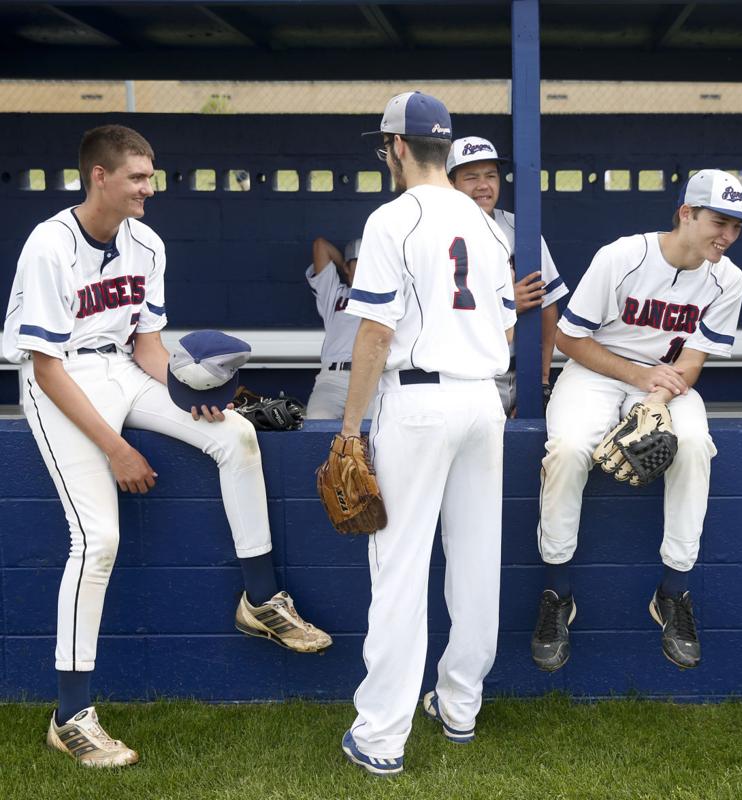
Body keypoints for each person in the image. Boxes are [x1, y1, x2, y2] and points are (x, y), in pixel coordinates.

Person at [1, 124, 330, 768]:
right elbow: (44, 368)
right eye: (138, 178)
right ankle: (70, 717)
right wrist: (116, 450)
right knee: (98, 542)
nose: (150, 189)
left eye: (151, 176)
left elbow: (148, 340)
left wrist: (183, 405)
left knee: (234, 434)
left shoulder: (145, 241)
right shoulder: (50, 244)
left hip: (121, 368)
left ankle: (260, 599)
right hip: (61, 379)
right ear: (100, 176)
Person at [336, 92, 515, 776]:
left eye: (386, 147)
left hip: (419, 401)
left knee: (401, 570)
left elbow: (376, 332)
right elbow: (503, 328)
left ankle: (381, 736)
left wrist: (349, 429)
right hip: (481, 402)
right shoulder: (485, 224)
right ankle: (459, 707)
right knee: (475, 564)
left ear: (399, 148)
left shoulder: (394, 217)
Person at [531, 169, 742, 673]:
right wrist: (638, 374)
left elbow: (695, 357)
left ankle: (673, 592)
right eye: (720, 222)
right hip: (596, 368)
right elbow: (569, 340)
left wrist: (658, 394)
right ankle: (556, 591)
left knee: (695, 446)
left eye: (737, 227)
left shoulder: (730, 278)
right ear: (685, 214)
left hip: (667, 382)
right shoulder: (622, 256)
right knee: (567, 449)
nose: (729, 236)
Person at [447, 135, 569, 414]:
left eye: (491, 175)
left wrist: (541, 378)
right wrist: (505, 300)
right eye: (471, 177)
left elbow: (549, 306)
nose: (483, 186)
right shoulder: (436, 231)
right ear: (451, 183)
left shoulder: (520, 228)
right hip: (465, 376)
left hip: (519, 372)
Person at [305, 236, 361, 419]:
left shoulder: (389, 296)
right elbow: (320, 245)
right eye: (358, 262)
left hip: (373, 378)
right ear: (346, 267)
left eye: (370, 262)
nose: (364, 268)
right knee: (316, 422)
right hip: (333, 378)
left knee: (373, 434)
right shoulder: (336, 293)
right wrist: (345, 267)